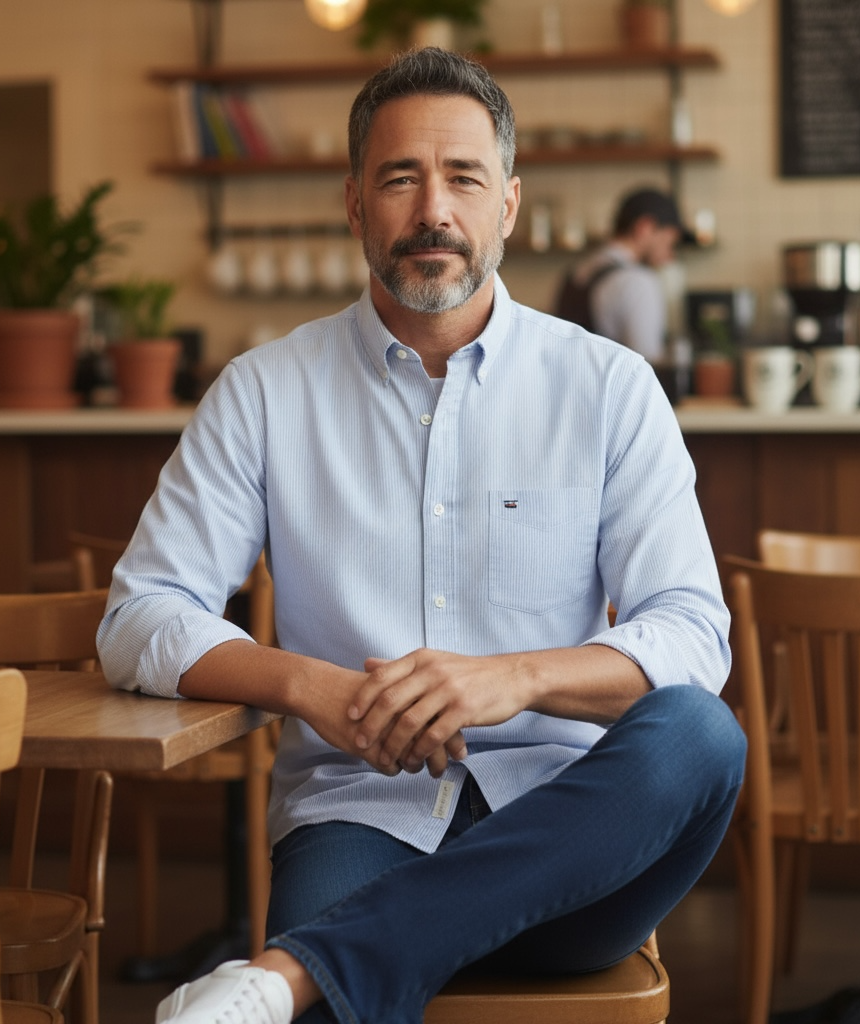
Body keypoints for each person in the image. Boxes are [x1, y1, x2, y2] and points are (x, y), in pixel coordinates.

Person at [98, 47, 745, 1024]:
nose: (432, 209)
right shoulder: (264, 391)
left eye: (463, 179)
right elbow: (139, 614)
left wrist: (515, 677)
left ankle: (292, 971)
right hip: (359, 814)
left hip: (574, 840)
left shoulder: (609, 387)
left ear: (509, 205)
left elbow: (693, 632)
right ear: (355, 203)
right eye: (400, 178)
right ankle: (322, 973)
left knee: (701, 731)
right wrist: (312, 688)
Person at [553, 186, 691, 362]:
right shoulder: (639, 282)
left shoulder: (575, 272)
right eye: (669, 242)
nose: (670, 255)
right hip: (611, 388)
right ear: (645, 227)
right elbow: (648, 364)